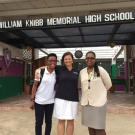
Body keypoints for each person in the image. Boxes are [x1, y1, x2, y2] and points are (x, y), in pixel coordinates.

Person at [36, 52, 80, 135]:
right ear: (63, 61)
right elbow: (48, 67)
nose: (67, 60)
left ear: (72, 60)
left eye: (69, 59)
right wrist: (37, 70)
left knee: (71, 120)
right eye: (65, 59)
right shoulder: (59, 69)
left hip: (73, 99)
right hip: (60, 98)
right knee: (61, 120)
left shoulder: (77, 71)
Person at [78, 51, 112, 135]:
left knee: (99, 128)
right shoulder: (82, 72)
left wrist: (101, 93)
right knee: (90, 126)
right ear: (85, 59)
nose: (89, 60)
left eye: (91, 58)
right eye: (87, 58)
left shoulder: (100, 70)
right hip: (86, 103)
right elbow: (80, 84)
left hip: (98, 103)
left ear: (95, 59)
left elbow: (108, 84)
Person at [29, 53, 57, 135]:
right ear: (47, 61)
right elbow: (34, 86)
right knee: (38, 122)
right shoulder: (40, 72)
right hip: (39, 102)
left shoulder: (57, 72)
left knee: (49, 122)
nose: (53, 62)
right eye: (50, 61)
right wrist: (32, 99)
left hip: (50, 102)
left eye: (54, 61)